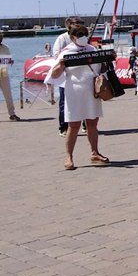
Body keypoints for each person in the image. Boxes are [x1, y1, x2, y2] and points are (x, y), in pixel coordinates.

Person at [49, 24, 109, 170]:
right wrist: (61, 65)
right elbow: (54, 75)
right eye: (79, 34)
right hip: (74, 90)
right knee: (74, 125)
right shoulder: (66, 52)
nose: (83, 36)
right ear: (72, 37)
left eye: (84, 33)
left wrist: (107, 60)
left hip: (91, 89)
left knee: (92, 123)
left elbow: (101, 67)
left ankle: (94, 152)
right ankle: (69, 156)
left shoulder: (92, 49)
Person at [52, 16, 85, 136]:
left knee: (85, 100)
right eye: (77, 23)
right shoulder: (62, 38)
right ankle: (63, 127)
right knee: (64, 102)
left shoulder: (84, 37)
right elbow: (57, 55)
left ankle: (85, 125)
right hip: (67, 76)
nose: (80, 25)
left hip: (83, 75)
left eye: (82, 23)